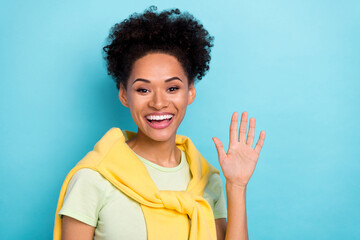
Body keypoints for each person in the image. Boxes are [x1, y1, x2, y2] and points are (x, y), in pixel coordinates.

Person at [53, 6, 265, 240]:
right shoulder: (92, 178)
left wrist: (237, 185)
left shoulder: (207, 180)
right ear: (124, 95)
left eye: (172, 88)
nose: (158, 102)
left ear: (190, 91)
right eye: (143, 89)